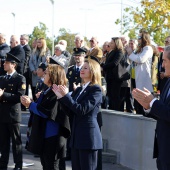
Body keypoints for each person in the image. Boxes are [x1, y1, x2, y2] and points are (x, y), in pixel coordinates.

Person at [52, 56, 103, 170]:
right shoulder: (80, 90)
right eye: (82, 67)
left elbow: (82, 110)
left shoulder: (96, 89)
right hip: (77, 137)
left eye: (86, 68)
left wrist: (66, 96)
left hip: (88, 137)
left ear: (93, 71)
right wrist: (61, 98)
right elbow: (71, 112)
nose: (82, 70)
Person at [21, 62, 70, 170]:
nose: (44, 75)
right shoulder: (48, 90)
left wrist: (31, 104)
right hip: (44, 135)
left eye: (47, 73)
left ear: (53, 76)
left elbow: (47, 112)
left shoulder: (57, 91)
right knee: (46, 164)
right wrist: (32, 103)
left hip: (52, 136)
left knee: (51, 165)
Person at [132, 45, 170, 170]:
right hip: (163, 151)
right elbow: (163, 112)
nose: (162, 66)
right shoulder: (168, 82)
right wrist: (148, 106)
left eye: (164, 61)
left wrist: (153, 102)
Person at [0, 53, 26, 170]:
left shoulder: (20, 78)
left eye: (6, 63)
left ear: (13, 65)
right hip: (2, 114)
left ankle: (18, 165)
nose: (4, 64)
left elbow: (19, 96)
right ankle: (3, 164)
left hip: (13, 114)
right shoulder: (1, 78)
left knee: (16, 142)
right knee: (3, 142)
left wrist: (3, 94)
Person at [127, 30, 153, 114]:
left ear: (144, 38)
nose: (138, 40)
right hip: (135, 79)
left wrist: (130, 53)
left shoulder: (148, 48)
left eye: (139, 37)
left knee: (143, 106)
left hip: (143, 81)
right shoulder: (140, 49)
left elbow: (141, 59)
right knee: (137, 105)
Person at [102, 37, 124, 111]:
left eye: (111, 43)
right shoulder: (111, 52)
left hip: (116, 78)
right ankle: (111, 109)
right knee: (110, 95)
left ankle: (116, 111)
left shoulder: (119, 52)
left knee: (115, 96)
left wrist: (104, 66)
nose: (110, 44)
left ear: (116, 43)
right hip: (110, 77)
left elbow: (115, 63)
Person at [20, 34, 32, 111]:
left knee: (24, 88)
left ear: (26, 40)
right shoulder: (21, 47)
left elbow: (26, 61)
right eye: (20, 39)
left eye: (22, 39)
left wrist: (22, 72)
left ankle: (24, 105)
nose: (21, 40)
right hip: (22, 71)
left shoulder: (27, 48)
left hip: (25, 72)